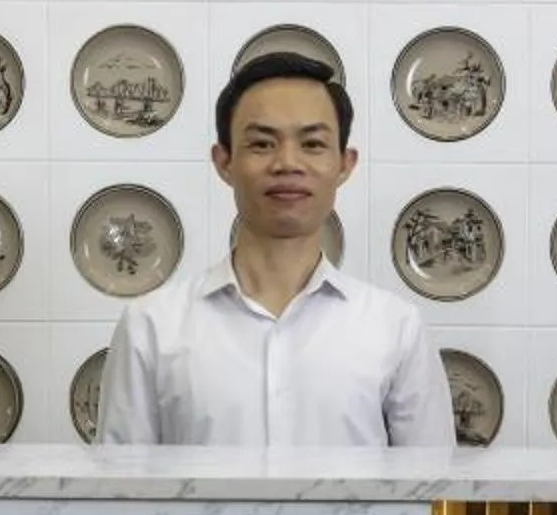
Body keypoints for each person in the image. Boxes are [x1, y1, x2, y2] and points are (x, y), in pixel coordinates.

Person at [96, 52, 454, 447]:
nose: (287, 163)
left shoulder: (395, 328)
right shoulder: (151, 327)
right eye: (262, 143)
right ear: (224, 161)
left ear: (344, 164)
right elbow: (122, 498)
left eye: (313, 144)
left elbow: (430, 493)